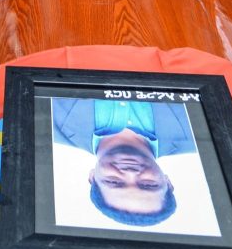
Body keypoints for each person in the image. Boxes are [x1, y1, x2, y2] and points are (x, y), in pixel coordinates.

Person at [52, 98, 195, 228]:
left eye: (114, 182)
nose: (130, 173)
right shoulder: (197, 132)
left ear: (92, 177)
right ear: (167, 181)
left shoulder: (50, 123)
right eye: (148, 184)